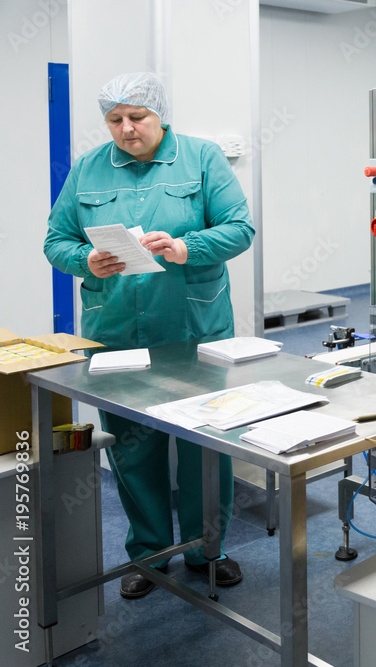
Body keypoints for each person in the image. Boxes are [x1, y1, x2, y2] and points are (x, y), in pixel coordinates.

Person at [44, 72, 255, 596]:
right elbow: (55, 240)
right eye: (114, 120)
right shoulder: (89, 170)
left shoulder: (202, 159)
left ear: (160, 115)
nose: (126, 130)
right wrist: (87, 261)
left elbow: (239, 228)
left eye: (136, 118)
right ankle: (148, 553)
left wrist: (187, 247)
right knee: (133, 448)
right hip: (116, 332)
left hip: (194, 330)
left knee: (206, 444)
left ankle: (209, 549)